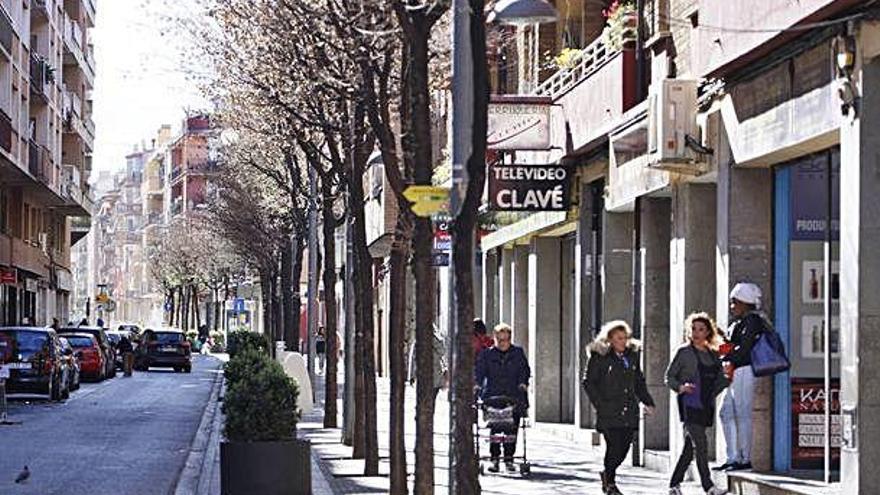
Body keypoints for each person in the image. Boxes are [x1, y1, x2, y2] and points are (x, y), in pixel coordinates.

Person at [584, 320, 655, 495]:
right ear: (609, 340)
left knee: (624, 448)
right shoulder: (599, 357)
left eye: (625, 338)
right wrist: (600, 404)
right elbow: (588, 382)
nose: (623, 342)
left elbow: (638, 381)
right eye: (618, 338)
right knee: (613, 446)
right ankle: (611, 483)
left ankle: (607, 474)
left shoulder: (631, 356)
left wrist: (647, 401)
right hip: (609, 410)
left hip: (628, 409)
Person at [666, 313, 730, 495]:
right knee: (701, 444)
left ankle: (674, 485)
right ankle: (708, 487)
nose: (696, 332)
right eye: (693, 329)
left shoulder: (713, 355)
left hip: (705, 406)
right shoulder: (683, 353)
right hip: (689, 404)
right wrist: (681, 387)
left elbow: (719, 383)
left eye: (701, 329)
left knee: (689, 449)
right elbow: (668, 377)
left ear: (708, 332)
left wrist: (726, 376)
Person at [716, 282, 767, 472]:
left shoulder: (752, 321)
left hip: (744, 370)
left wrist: (728, 354)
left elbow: (744, 349)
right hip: (734, 370)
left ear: (745, 302)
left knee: (742, 414)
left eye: (735, 302)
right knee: (726, 412)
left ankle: (744, 459)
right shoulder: (738, 322)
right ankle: (732, 457)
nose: (732, 307)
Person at [474, 323, 530, 473]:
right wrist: (478, 385)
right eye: (499, 339)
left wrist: (523, 383)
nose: (502, 343)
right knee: (496, 427)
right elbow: (480, 372)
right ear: (495, 338)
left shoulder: (517, 353)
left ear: (510, 339)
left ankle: (509, 459)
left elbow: (524, 370)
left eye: (505, 339)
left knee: (512, 429)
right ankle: (495, 458)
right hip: (493, 395)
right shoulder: (487, 354)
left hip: (513, 396)